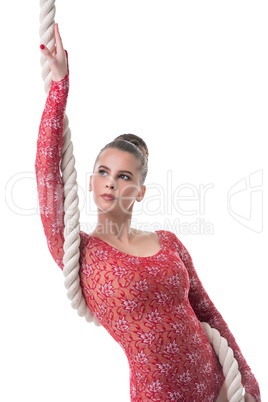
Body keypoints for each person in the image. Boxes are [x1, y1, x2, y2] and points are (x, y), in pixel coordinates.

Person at [36, 23, 261, 402]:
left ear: (139, 192)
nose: (111, 183)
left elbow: (209, 315)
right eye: (104, 173)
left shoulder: (168, 242)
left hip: (220, 389)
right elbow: (46, 176)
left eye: (124, 176)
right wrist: (59, 89)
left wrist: (246, 383)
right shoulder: (81, 253)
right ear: (91, 182)